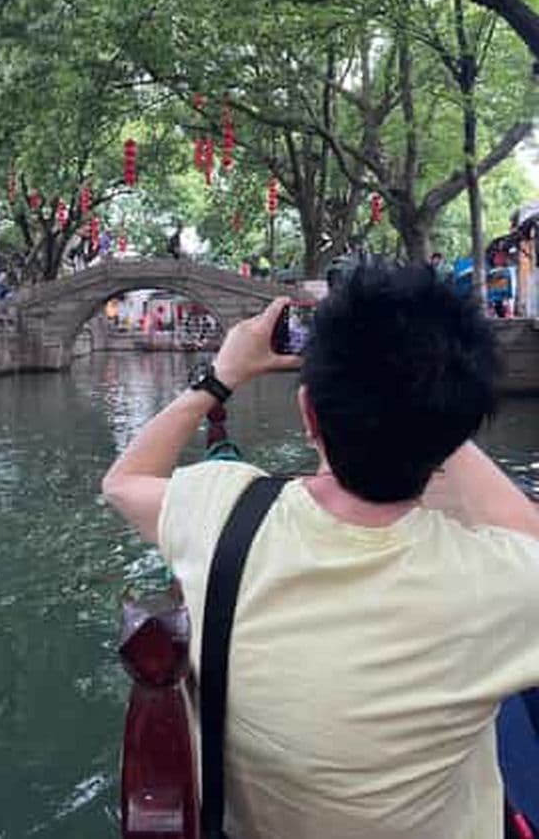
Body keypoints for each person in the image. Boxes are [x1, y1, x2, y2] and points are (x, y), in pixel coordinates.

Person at [102, 263, 539, 839]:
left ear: (308, 413)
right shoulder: (500, 581)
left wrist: (221, 376)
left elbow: (122, 481)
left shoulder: (222, 510)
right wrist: (432, 410)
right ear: (456, 428)